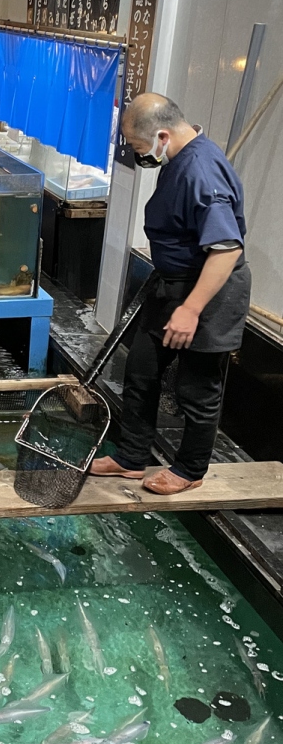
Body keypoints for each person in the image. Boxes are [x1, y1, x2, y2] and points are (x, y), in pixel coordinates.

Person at [90, 93, 250, 495]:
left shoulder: (201, 171)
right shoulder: (177, 160)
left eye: (139, 146)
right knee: (141, 371)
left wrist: (191, 309)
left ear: (162, 135)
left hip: (207, 292)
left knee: (197, 388)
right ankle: (132, 456)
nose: (139, 154)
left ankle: (190, 469)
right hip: (170, 284)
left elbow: (227, 248)